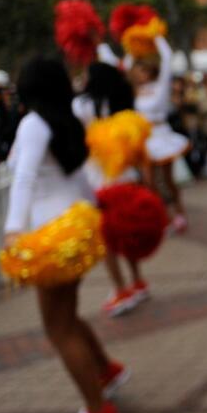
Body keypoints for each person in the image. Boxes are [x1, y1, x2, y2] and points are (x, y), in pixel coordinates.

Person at [4, 57, 128, 413]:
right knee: (67, 318)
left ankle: (98, 412)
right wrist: (97, 207)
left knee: (57, 328)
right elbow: (76, 176)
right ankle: (105, 371)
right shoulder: (65, 119)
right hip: (74, 228)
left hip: (51, 236)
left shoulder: (33, 123)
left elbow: (23, 177)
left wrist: (12, 230)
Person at [74, 62, 152, 316]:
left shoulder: (82, 106)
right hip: (127, 177)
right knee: (127, 233)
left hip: (100, 181)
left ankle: (120, 289)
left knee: (107, 240)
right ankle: (137, 281)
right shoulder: (124, 105)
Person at [128, 36, 190, 232]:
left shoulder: (160, 86)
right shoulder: (136, 90)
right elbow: (124, 63)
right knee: (149, 182)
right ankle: (165, 218)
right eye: (137, 70)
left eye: (142, 69)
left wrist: (155, 36)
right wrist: (133, 42)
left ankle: (180, 213)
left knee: (169, 180)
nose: (139, 73)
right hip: (144, 139)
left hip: (161, 137)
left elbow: (167, 57)